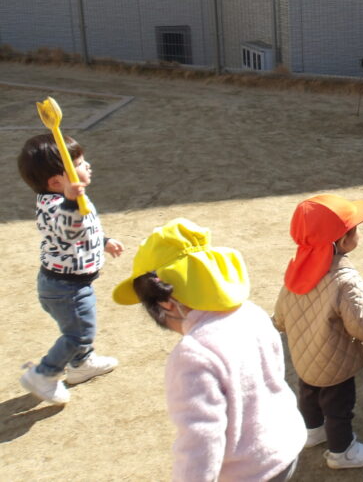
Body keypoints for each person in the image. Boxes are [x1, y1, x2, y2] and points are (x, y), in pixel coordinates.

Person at [113, 219, 304, 482]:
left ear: (166, 303)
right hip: (285, 442)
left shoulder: (194, 355)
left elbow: (201, 441)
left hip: (248, 471)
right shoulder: (252, 312)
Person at [274, 194, 363, 469]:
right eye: (355, 229)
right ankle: (342, 452)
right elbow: (362, 323)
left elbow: (281, 317)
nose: (359, 233)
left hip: (304, 355)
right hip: (334, 361)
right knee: (338, 407)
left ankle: (312, 431)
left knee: (309, 394)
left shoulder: (296, 269)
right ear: (343, 241)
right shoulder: (345, 279)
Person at [17, 133, 123, 405]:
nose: (87, 166)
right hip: (66, 289)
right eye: (79, 164)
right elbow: (68, 229)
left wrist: (104, 241)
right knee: (79, 334)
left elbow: (82, 231)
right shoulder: (57, 207)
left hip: (66, 284)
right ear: (56, 183)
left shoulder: (65, 201)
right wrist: (70, 202)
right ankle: (43, 374)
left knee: (78, 328)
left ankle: (82, 364)